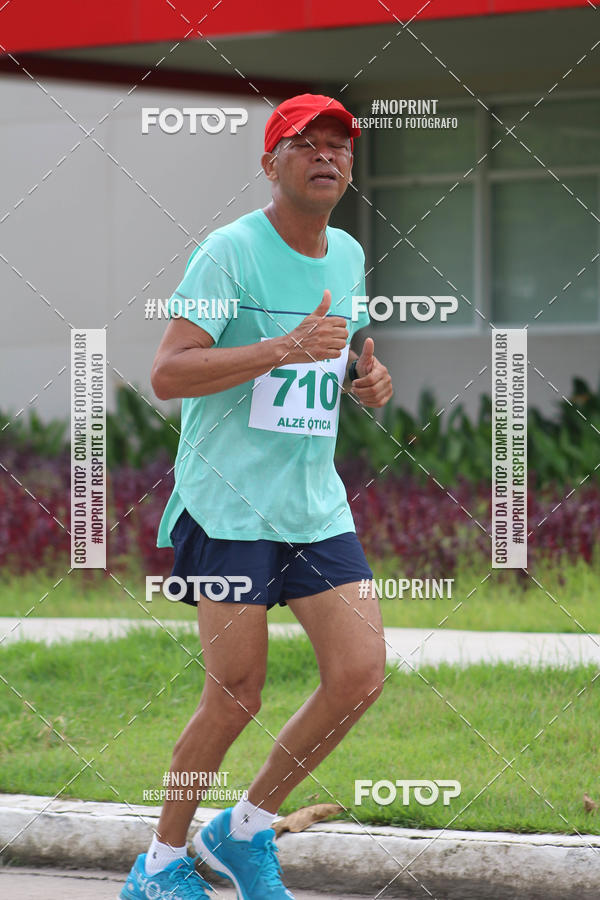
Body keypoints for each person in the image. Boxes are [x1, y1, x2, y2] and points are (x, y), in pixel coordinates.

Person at [120, 93, 393, 900]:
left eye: (340, 144)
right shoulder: (229, 253)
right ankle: (159, 864)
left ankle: (242, 830)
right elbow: (168, 372)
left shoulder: (347, 254)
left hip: (313, 505)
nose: (326, 155)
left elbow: (330, 359)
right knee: (235, 695)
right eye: (306, 143)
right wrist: (280, 347)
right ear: (271, 162)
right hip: (229, 504)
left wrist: (366, 380)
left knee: (360, 674)